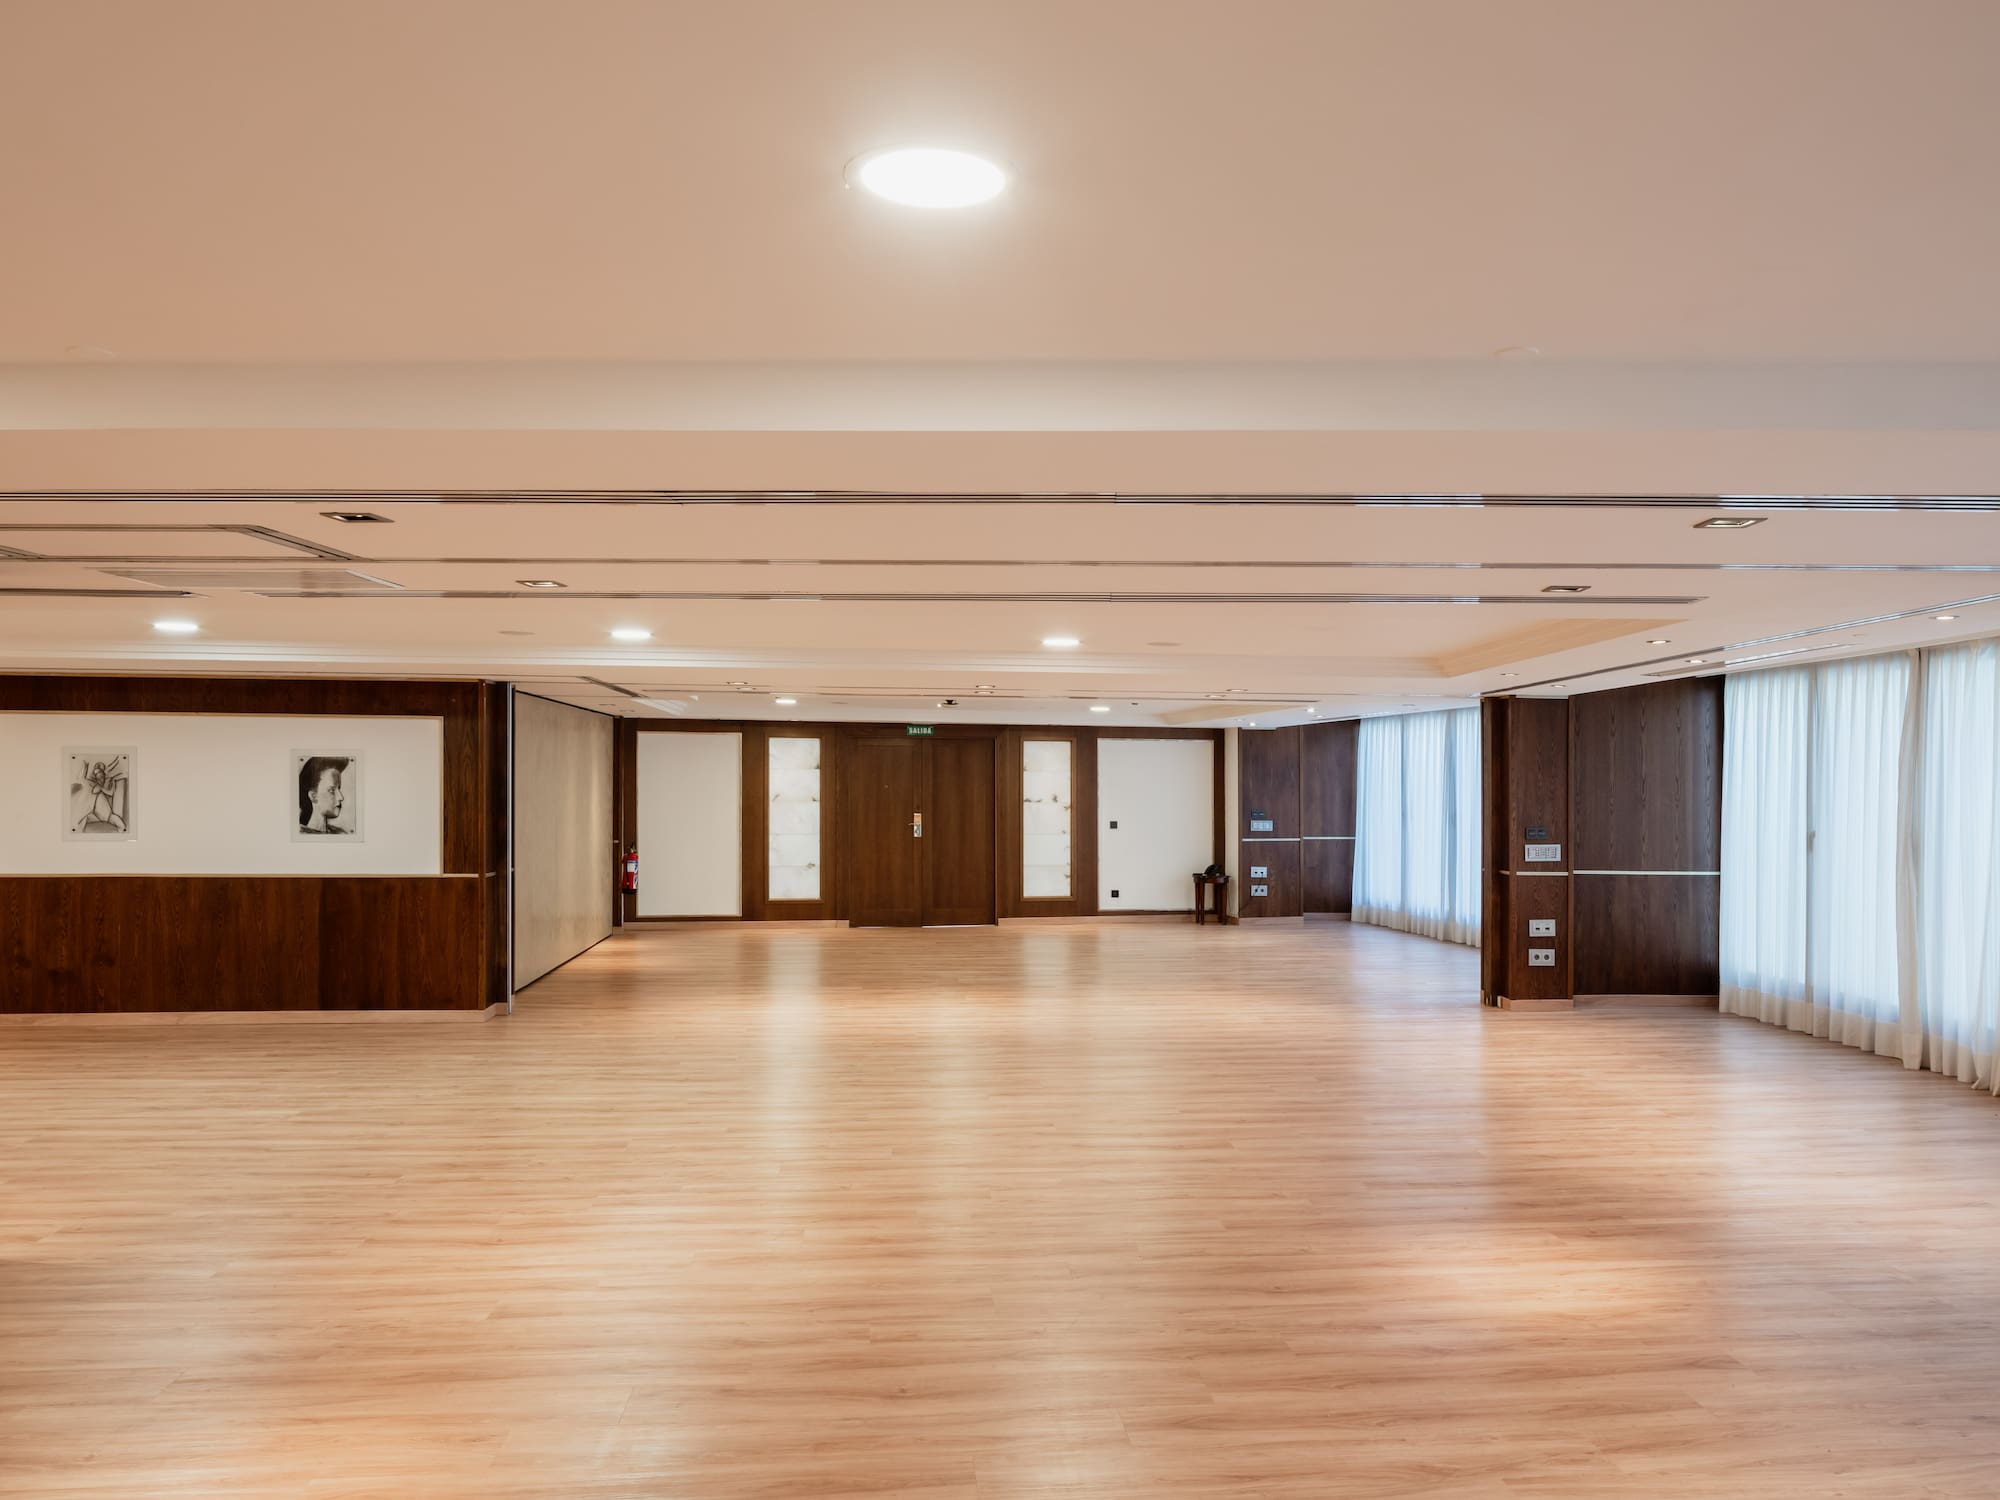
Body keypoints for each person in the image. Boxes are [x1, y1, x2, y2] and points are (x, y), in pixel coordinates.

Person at [297, 756, 354, 835]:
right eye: (332, 790)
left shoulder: (340, 833)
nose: (341, 797)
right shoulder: (301, 834)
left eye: (339, 788)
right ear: (313, 796)